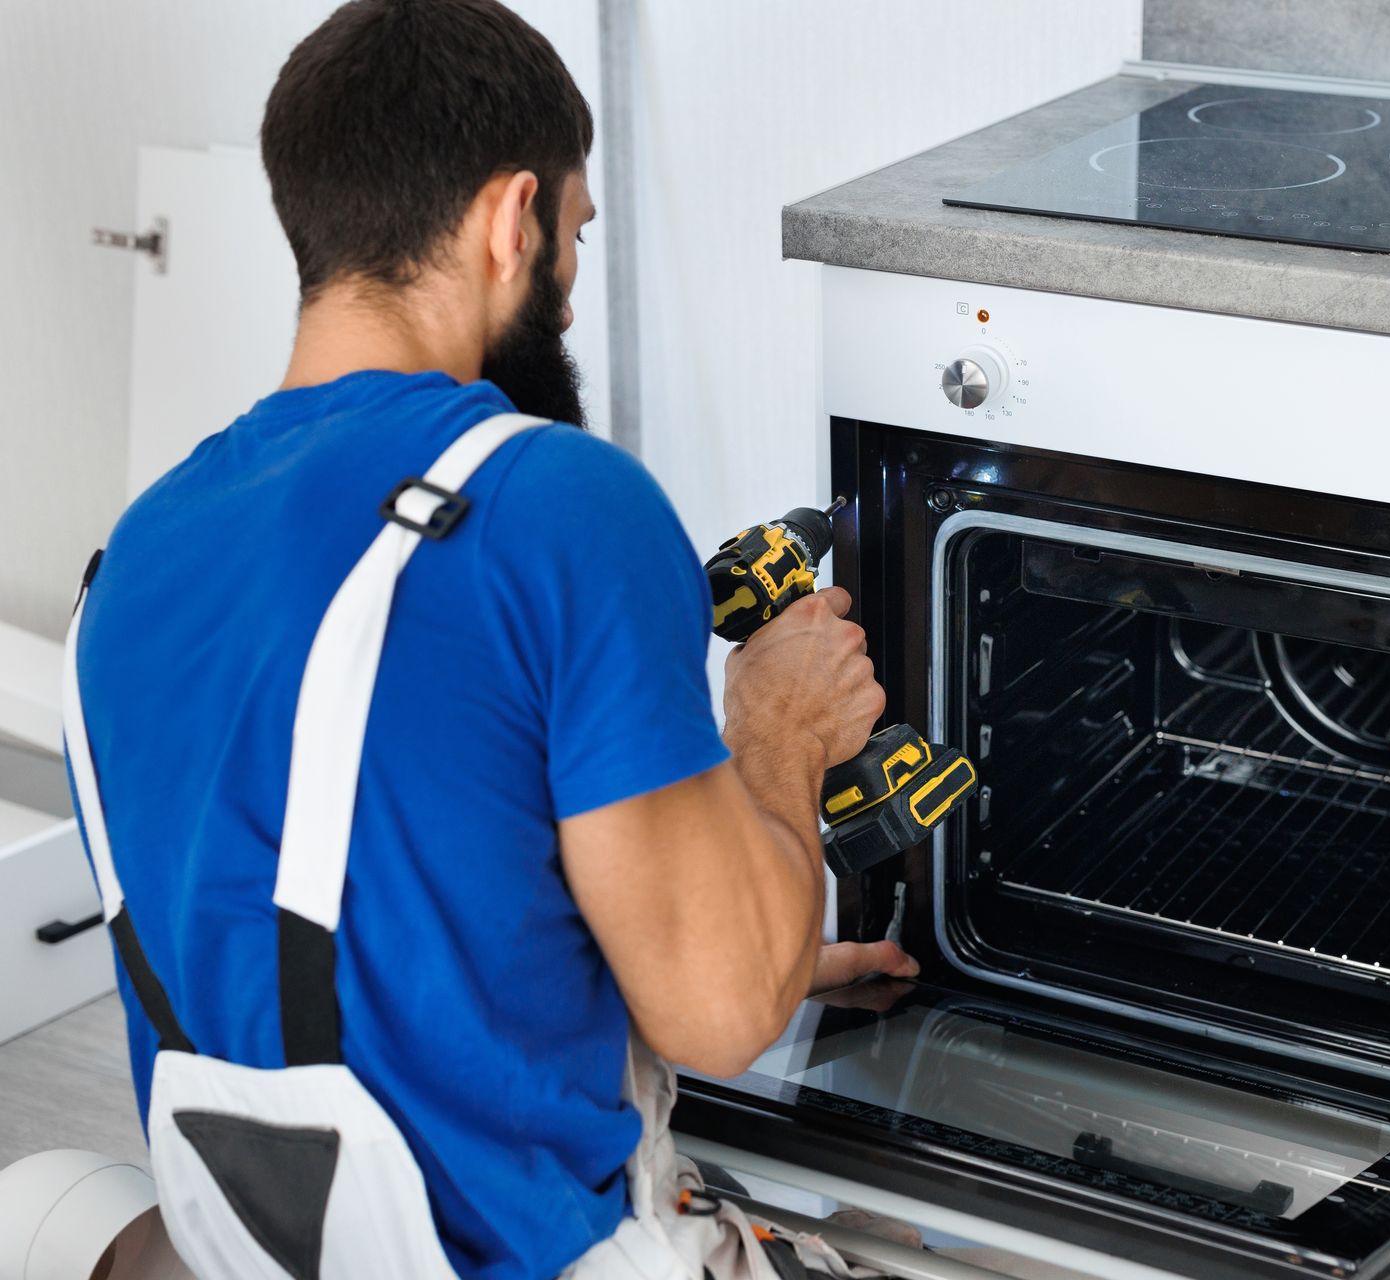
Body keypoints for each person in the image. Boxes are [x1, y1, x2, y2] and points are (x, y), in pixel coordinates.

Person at [65, 1, 910, 1276]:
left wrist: (712, 912)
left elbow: (396, 895)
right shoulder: (556, 499)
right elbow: (726, 1016)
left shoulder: (136, 554)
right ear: (512, 219)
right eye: (574, 236)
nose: (566, 298)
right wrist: (778, 734)